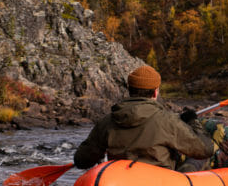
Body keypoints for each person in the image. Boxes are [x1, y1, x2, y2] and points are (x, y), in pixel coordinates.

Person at [73, 65, 215, 170]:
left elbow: (81, 160)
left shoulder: (106, 122)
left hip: (120, 184)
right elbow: (205, 150)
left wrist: (100, 151)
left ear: (130, 91)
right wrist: (192, 122)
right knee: (196, 161)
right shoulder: (168, 121)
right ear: (155, 93)